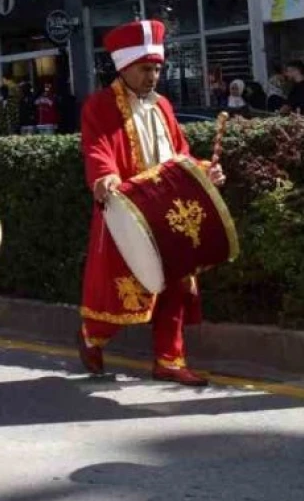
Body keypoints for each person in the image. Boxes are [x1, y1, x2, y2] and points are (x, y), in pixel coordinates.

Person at [77, 20, 225, 386]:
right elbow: (96, 149)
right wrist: (104, 177)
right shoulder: (99, 105)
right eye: (146, 69)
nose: (153, 76)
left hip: (167, 211)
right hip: (126, 210)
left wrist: (205, 171)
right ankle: (91, 336)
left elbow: (180, 154)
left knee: (175, 284)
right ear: (123, 68)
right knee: (120, 288)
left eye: (157, 68)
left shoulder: (163, 107)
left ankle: (169, 360)